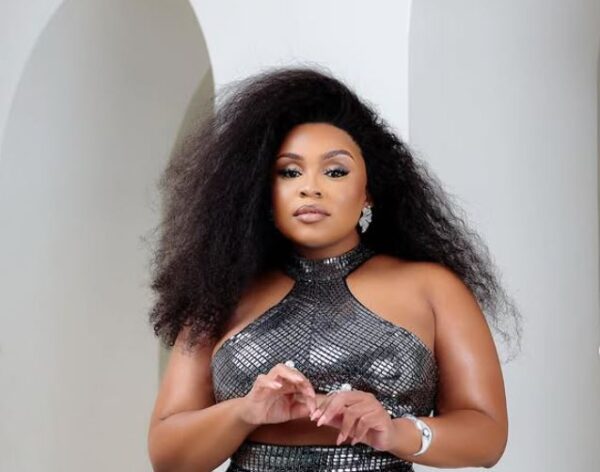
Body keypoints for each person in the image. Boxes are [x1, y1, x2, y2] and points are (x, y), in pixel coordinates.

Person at [145, 66, 522, 472]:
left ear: (369, 191)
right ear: (263, 191)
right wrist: (245, 411)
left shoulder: (433, 288)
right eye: (289, 172)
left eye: (335, 171)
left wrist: (396, 432)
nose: (310, 187)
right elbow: (168, 457)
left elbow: (487, 438)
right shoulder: (222, 291)